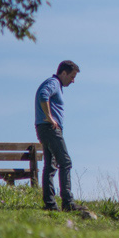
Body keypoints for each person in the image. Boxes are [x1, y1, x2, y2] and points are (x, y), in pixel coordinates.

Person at [34, 60, 87, 212]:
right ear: (63, 73)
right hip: (50, 128)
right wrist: (49, 117)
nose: (73, 80)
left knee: (50, 166)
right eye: (72, 76)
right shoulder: (54, 83)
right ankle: (68, 203)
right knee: (65, 162)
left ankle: (50, 204)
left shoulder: (55, 84)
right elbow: (43, 95)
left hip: (45, 128)